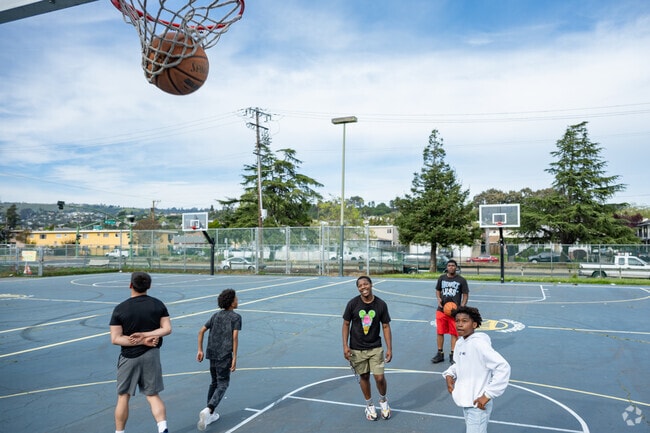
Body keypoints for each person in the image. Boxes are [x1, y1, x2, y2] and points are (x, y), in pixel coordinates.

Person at [109, 272, 172, 433]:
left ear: (130, 285)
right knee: (152, 395)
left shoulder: (120, 309)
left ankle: (119, 432)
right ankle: (162, 427)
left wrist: (140, 338)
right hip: (151, 354)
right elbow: (167, 329)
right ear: (148, 286)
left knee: (123, 396)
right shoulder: (158, 305)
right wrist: (148, 337)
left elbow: (116, 338)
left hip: (129, 356)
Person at [442, 306, 510, 433]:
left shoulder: (479, 344)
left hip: (478, 404)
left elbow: (503, 367)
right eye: (457, 321)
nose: (460, 324)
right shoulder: (460, 343)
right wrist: (449, 374)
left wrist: (488, 395)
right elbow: (459, 364)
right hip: (467, 402)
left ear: (474, 324)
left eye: (464, 321)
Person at [342, 275, 393, 421]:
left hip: (375, 347)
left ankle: (383, 401)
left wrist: (389, 348)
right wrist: (345, 346)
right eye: (360, 285)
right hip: (356, 348)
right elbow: (346, 324)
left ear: (371, 285)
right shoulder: (352, 304)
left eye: (366, 284)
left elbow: (385, 326)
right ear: (358, 288)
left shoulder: (381, 304)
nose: (363, 287)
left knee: (379, 377)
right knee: (364, 376)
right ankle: (369, 405)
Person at [196, 289, 241, 431]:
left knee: (214, 382)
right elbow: (234, 337)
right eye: (236, 299)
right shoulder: (236, 317)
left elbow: (201, 330)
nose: (238, 300)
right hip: (224, 355)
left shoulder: (215, 315)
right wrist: (234, 357)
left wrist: (200, 349)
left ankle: (210, 413)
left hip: (212, 353)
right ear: (231, 302)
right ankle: (209, 409)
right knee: (223, 383)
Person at [432, 259, 469, 364]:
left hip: (454, 312)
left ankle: (453, 354)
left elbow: (465, 295)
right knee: (440, 332)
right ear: (447, 267)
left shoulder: (461, 280)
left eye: (453, 265)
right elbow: (438, 290)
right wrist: (438, 298)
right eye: (449, 265)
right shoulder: (441, 278)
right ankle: (440, 353)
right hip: (442, 310)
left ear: (456, 267)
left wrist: (462, 307)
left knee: (454, 333)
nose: (451, 267)